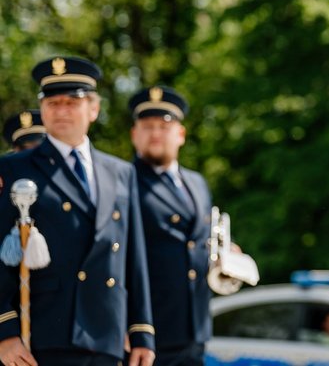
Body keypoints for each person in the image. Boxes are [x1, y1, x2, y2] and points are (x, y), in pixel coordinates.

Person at [0, 56, 155, 366]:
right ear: (42, 109)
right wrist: (4, 331)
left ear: (93, 109)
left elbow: (133, 256)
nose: (61, 111)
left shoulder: (120, 172)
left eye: (72, 101)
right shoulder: (13, 168)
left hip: (107, 334)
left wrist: (141, 332)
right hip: (42, 333)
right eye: (53, 102)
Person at [130, 85, 213, 366]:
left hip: (195, 328)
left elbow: (201, 239)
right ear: (134, 134)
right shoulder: (123, 181)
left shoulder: (197, 183)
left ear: (180, 134)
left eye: (164, 126)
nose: (155, 133)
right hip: (149, 332)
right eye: (147, 126)